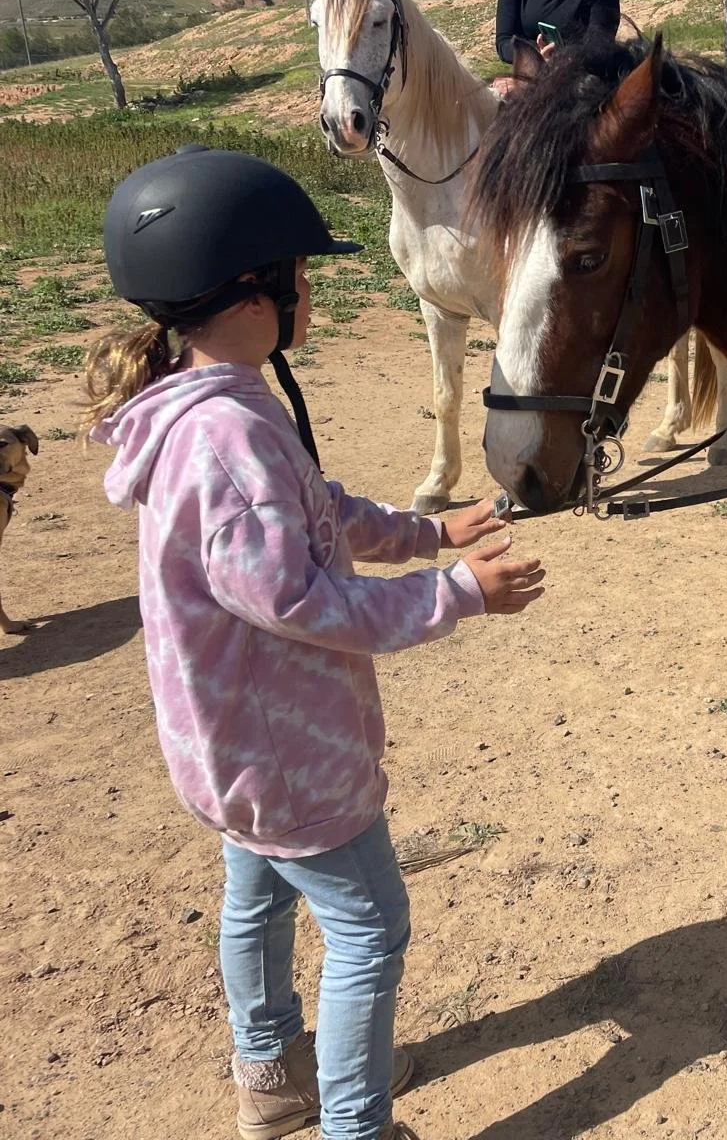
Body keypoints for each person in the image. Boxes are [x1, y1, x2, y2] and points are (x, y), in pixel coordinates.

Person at [87, 146, 547, 1140]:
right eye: (298, 278)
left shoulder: (208, 408)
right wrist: (458, 593)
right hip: (286, 749)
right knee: (369, 928)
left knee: (254, 897)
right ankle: (353, 1127)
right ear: (248, 295)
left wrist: (429, 531)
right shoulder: (231, 442)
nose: (310, 295)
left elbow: (317, 515)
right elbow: (300, 599)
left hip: (229, 744)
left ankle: (272, 1076)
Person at [490, 0, 620, 95]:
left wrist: (555, 62)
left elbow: (599, 51)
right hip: (526, 73)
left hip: (577, 83)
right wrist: (535, 58)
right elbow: (504, 42)